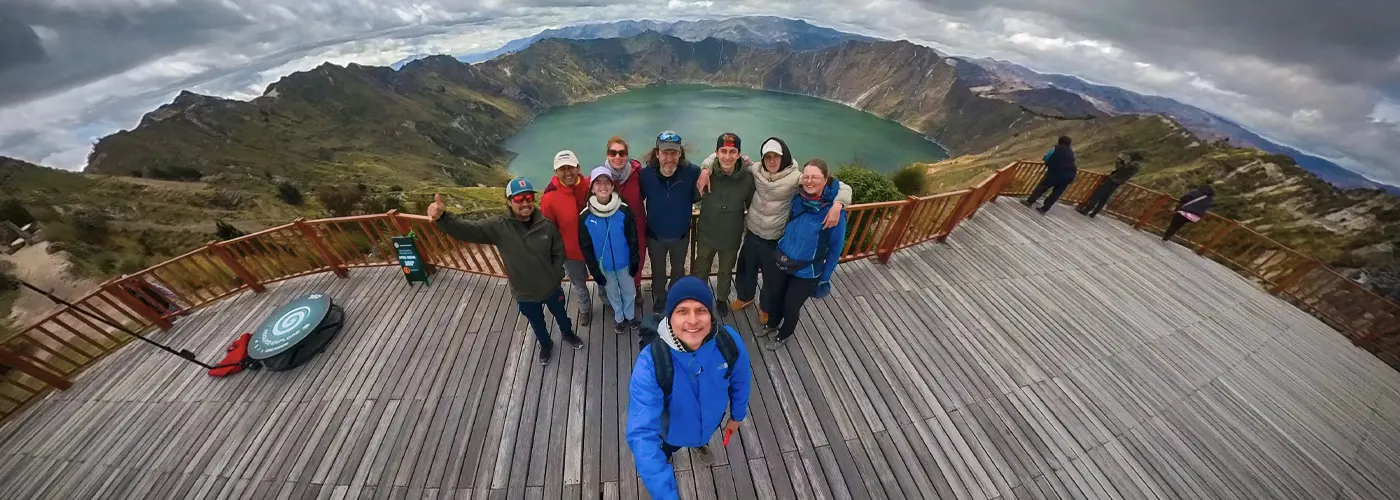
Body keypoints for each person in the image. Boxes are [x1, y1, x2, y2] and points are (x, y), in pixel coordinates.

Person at [697, 137, 850, 326]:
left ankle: (766, 308)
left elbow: (840, 186)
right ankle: (745, 297)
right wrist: (706, 169)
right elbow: (723, 157)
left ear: (783, 157)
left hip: (773, 236)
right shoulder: (756, 169)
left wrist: (838, 204)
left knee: (771, 277)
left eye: (775, 156)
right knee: (746, 268)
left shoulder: (796, 178)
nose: (771, 161)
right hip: (752, 231)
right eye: (767, 156)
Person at [428, 181, 583, 365]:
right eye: (519, 198)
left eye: (529, 197)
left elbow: (558, 251)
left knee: (561, 315)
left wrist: (556, 274)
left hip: (551, 287)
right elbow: (469, 230)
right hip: (524, 292)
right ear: (508, 201)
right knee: (536, 322)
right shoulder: (498, 226)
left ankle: (567, 333)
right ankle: (545, 344)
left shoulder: (547, 225)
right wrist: (444, 218)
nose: (525, 202)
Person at [626, 275, 752, 499]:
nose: (693, 320)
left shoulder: (729, 343)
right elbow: (642, 435)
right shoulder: (651, 363)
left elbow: (741, 380)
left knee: (701, 436)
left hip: (711, 423)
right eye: (682, 311)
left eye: (701, 310)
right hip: (670, 433)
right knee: (663, 452)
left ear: (711, 315)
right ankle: (670, 454)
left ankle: (699, 443)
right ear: (670, 317)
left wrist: (737, 415)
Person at [759, 159, 848, 350]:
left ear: (825, 179)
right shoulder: (798, 199)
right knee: (775, 296)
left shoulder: (834, 212)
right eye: (806, 176)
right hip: (783, 259)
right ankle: (772, 324)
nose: (809, 181)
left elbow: (835, 249)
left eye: (815, 177)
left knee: (791, 306)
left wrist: (824, 277)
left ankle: (784, 334)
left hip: (808, 269)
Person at [690, 133, 755, 318]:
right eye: (723, 151)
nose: (727, 156)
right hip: (706, 234)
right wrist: (704, 172)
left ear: (739, 154)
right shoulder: (707, 174)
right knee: (701, 269)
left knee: (726, 271)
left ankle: (721, 299)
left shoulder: (747, 178)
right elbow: (694, 196)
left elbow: (752, 205)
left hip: (731, 236)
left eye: (732, 152)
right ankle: (700, 298)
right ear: (716, 153)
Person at [639, 130, 702, 313]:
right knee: (658, 271)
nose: (669, 158)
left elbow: (705, 182)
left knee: (678, 270)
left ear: (680, 153)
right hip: (655, 236)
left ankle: (675, 296)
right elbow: (636, 196)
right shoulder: (645, 175)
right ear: (657, 154)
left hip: (681, 235)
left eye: (673, 153)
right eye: (665, 153)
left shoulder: (692, 173)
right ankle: (660, 297)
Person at [578, 166, 642, 334]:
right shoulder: (585, 216)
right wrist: (594, 270)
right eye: (598, 183)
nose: (603, 186)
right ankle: (619, 318)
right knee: (612, 293)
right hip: (604, 266)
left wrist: (635, 259)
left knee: (629, 291)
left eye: (607, 182)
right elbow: (586, 246)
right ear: (592, 188)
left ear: (613, 186)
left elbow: (632, 237)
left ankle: (630, 316)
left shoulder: (623, 210)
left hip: (624, 263)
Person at [540, 150, 594, 326]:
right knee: (578, 283)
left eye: (570, 167)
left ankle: (608, 302)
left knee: (602, 279)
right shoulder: (549, 198)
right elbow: (549, 229)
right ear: (556, 172)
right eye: (562, 169)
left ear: (578, 167)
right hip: (570, 252)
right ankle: (585, 308)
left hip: (595, 247)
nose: (567, 172)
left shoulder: (591, 186)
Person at [596, 136, 649, 298]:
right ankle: (617, 293)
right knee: (615, 261)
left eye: (622, 153)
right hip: (611, 229)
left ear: (627, 155)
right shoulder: (600, 177)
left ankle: (636, 287)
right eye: (613, 153)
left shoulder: (637, 174)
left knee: (637, 259)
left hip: (636, 227)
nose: (617, 157)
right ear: (607, 154)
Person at [1078, 152, 1144, 218]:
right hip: (1118, 183)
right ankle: (1094, 213)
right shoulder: (1137, 167)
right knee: (1105, 198)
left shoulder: (1132, 164)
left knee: (1098, 195)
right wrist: (1122, 162)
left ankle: (1086, 210)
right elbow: (1124, 169)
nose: (1130, 157)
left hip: (1112, 180)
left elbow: (1120, 169)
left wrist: (1119, 160)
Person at [1023, 135, 1077, 213]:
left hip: (1056, 172)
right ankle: (1045, 208)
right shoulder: (1071, 152)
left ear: (1059, 141)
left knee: (1042, 187)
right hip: (1069, 175)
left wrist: (1047, 161)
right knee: (1056, 193)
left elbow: (1047, 158)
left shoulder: (1055, 148)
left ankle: (1030, 201)